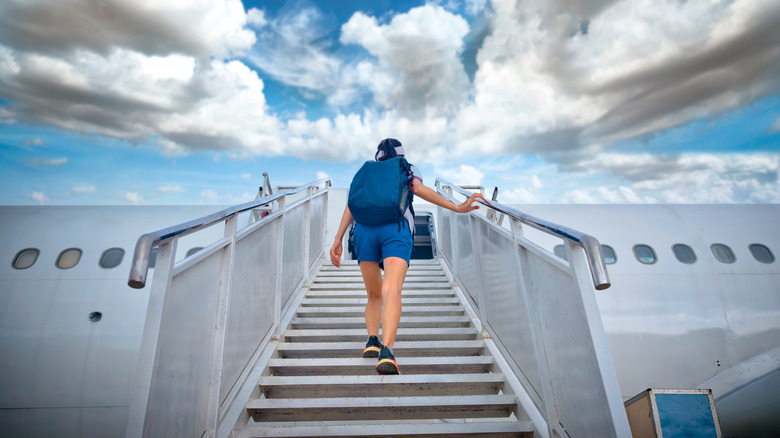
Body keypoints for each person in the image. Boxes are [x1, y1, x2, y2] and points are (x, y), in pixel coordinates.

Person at [329, 138, 484, 375]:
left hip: (364, 232)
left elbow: (351, 205)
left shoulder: (368, 171)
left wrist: (338, 238)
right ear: (400, 153)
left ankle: (371, 340)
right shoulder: (407, 167)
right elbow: (418, 189)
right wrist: (457, 207)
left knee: (373, 294)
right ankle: (387, 352)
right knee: (391, 290)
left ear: (378, 154)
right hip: (396, 230)